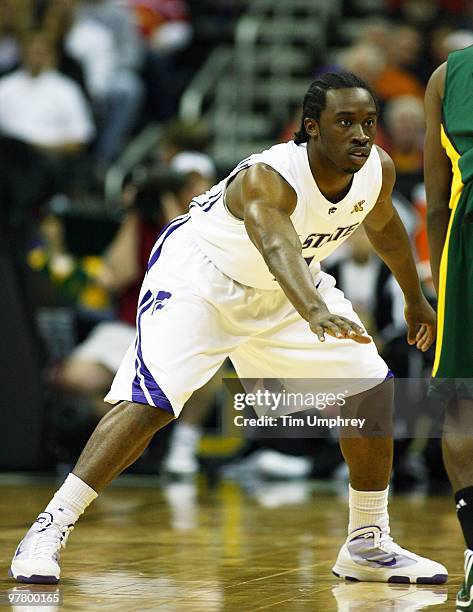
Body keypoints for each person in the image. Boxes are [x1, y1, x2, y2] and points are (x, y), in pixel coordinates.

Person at [10, 71, 447, 586]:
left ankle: (368, 542)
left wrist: (415, 298)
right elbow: (275, 244)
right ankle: (48, 527)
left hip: (286, 285)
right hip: (203, 277)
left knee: (371, 390)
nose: (361, 134)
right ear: (310, 128)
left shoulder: (377, 170)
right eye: (345, 122)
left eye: (369, 123)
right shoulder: (267, 177)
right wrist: (311, 307)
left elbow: (384, 226)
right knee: (153, 402)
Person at [424, 46, 473, 611]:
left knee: (464, 405)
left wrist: (442, 291)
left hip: (465, 246)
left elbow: (437, 204)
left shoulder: (446, 76)